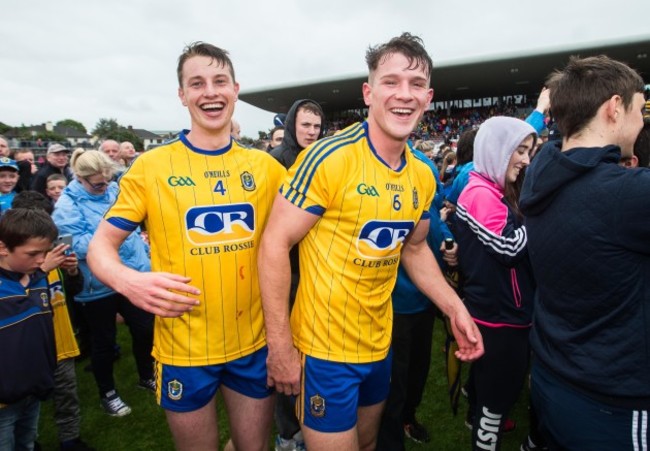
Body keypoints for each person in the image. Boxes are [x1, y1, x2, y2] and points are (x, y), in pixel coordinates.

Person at [258, 33, 483, 450]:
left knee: (368, 444)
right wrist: (280, 346)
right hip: (324, 350)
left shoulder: (422, 172)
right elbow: (274, 244)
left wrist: (455, 308)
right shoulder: (328, 157)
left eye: (416, 84)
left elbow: (414, 248)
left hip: (380, 344)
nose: (404, 94)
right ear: (369, 92)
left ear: (429, 96)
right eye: (391, 81)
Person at [87, 42, 286, 450]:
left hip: (252, 342)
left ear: (236, 89)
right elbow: (100, 249)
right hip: (184, 348)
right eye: (197, 83)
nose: (209, 92)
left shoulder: (267, 169)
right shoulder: (151, 167)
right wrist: (129, 282)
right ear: (182, 94)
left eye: (219, 81)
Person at [519, 55, 648, 450]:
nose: (642, 122)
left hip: (554, 375)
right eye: (640, 110)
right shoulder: (626, 194)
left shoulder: (539, 173)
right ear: (613, 108)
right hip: (611, 401)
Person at [453, 116, 537, 451]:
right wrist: (541, 214)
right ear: (498, 149)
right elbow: (510, 248)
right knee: (494, 399)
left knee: (493, 393)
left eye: (529, 151)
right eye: (520, 150)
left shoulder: (490, 188)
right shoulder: (480, 194)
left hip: (501, 311)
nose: (527, 160)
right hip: (498, 316)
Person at [52, 149, 154, 418]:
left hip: (133, 273)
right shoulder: (66, 205)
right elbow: (71, 246)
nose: (105, 187)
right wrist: (112, 238)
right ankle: (108, 393)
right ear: (81, 179)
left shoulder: (112, 191)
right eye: (98, 183)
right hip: (97, 284)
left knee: (145, 329)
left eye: (108, 180)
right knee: (104, 342)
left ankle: (147, 375)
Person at [377, 143, 456, 451]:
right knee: (393, 378)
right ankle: (391, 432)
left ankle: (407, 417)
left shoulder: (421, 164)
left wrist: (449, 244)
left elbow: (432, 217)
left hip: (421, 300)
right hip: (389, 303)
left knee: (418, 369)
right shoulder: (362, 168)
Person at [11, 191, 95, 451]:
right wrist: (42, 268)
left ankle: (69, 439)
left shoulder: (49, 249)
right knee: (22, 404)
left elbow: (72, 290)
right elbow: (16, 301)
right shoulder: (17, 260)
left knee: (66, 394)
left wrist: (70, 271)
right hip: (26, 347)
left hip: (60, 339)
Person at [269, 98, 324, 451]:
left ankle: (310, 421)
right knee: (284, 353)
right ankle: (288, 433)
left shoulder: (322, 163)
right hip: (283, 274)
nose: (311, 132)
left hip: (315, 272)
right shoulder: (274, 164)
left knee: (311, 354)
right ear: (291, 125)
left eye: (317, 127)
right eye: (305, 125)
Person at [0, 208, 59, 450]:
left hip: (33, 392)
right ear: (3, 248)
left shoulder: (36, 278)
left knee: (27, 443)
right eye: (33, 253)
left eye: (46, 252)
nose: (42, 260)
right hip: (3, 403)